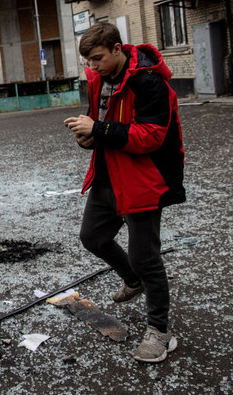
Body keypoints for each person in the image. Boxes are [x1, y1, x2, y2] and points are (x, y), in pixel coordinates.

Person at [64, 22, 186, 364]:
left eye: (98, 58)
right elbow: (100, 121)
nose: (93, 66)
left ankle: (160, 332)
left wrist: (99, 129)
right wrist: (87, 135)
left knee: (145, 256)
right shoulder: (98, 79)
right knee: (93, 237)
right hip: (108, 175)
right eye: (88, 60)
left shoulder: (148, 80)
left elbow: (151, 136)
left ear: (118, 49)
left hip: (144, 179)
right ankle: (133, 281)